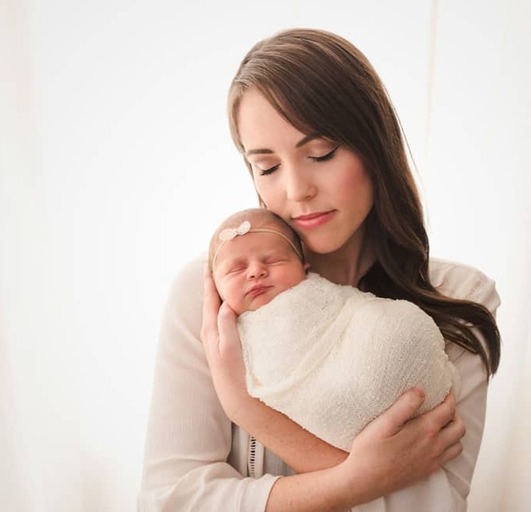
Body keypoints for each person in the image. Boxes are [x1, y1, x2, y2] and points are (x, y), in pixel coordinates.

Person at [139, 28, 501, 511]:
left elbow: (433, 505)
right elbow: (171, 501)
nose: (296, 189)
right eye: (267, 167)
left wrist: (247, 408)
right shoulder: (215, 293)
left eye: (320, 154)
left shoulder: (458, 298)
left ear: (375, 146)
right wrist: (361, 478)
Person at [208, 207, 460, 452]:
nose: (256, 272)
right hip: (333, 396)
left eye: (273, 260)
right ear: (214, 287)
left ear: (304, 269)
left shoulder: (316, 293)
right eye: (236, 269)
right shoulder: (222, 334)